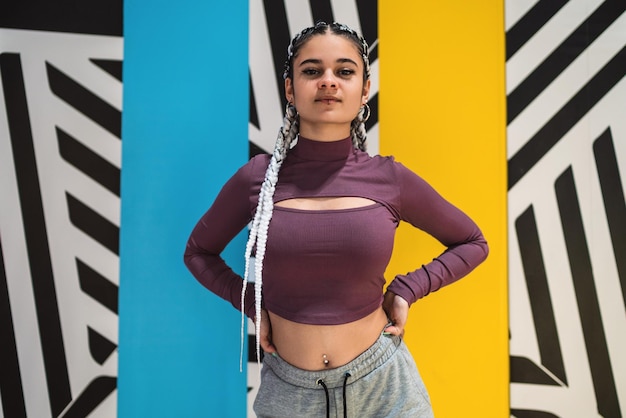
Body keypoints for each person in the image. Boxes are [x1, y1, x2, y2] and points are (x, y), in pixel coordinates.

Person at [184, 21, 488, 418]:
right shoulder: (256, 179)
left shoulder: (389, 178)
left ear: (364, 89)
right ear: (290, 89)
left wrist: (406, 289)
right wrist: (254, 305)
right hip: (291, 394)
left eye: (344, 71)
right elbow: (198, 253)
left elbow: (473, 242)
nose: (328, 82)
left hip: (383, 387)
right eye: (312, 71)